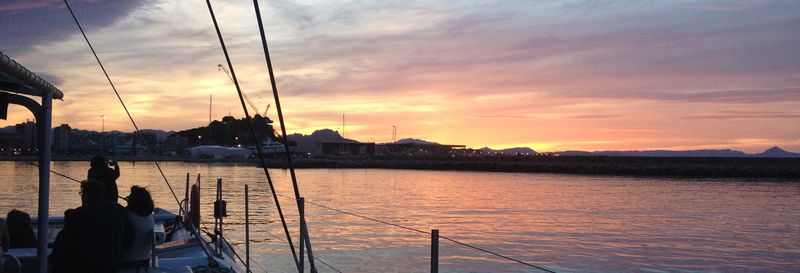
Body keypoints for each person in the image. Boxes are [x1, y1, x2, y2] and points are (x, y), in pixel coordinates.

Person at [50, 180, 134, 273]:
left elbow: (63, 243)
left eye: (81, 194)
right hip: (113, 264)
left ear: (86, 195)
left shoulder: (79, 214)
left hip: (86, 265)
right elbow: (130, 236)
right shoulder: (119, 209)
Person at [119, 186, 155, 273]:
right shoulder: (149, 218)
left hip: (125, 267)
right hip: (143, 266)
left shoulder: (126, 216)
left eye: (130, 196)